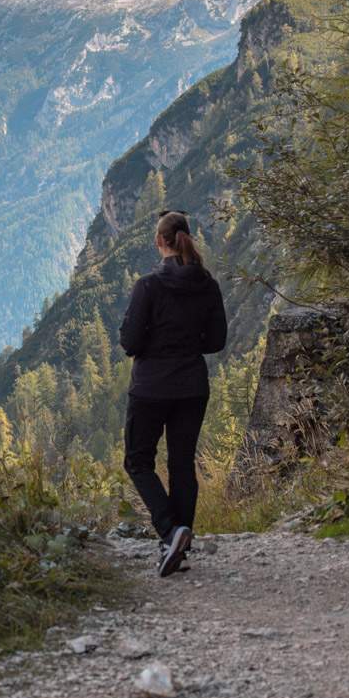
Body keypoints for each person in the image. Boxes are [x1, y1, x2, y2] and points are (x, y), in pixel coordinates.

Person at [119, 210, 228, 577]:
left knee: (138, 461)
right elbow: (216, 341)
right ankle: (177, 545)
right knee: (182, 463)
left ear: (159, 242)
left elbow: (130, 342)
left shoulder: (148, 287)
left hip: (150, 386)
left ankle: (170, 530)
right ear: (186, 238)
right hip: (192, 386)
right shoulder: (208, 284)